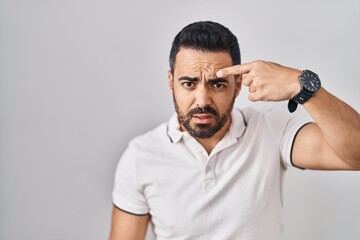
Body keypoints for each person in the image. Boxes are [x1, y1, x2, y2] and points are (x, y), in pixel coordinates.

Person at [109, 21, 360, 240]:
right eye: (188, 83)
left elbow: (356, 155)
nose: (202, 100)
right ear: (171, 82)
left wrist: (302, 86)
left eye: (217, 84)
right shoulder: (141, 157)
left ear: (237, 85)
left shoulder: (270, 129)